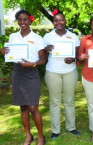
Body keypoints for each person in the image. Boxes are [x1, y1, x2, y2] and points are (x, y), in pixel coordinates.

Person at [1, 10, 45, 145]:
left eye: (25, 19)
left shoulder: (37, 38)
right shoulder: (13, 36)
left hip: (31, 73)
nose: (22, 22)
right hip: (18, 72)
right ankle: (28, 135)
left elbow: (43, 59)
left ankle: (41, 136)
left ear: (30, 21)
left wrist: (32, 64)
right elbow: (9, 53)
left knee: (33, 107)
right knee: (23, 107)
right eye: (19, 19)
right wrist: (4, 52)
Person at [43, 9, 80, 140]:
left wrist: (73, 59)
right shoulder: (47, 37)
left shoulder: (73, 36)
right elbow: (41, 55)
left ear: (65, 21)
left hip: (70, 72)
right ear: (53, 23)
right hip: (53, 72)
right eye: (56, 20)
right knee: (55, 102)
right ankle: (55, 130)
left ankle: (71, 127)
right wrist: (47, 50)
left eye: (61, 20)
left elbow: (77, 56)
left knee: (69, 101)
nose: (59, 22)